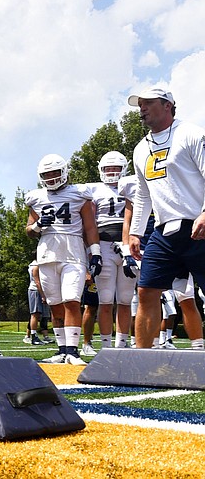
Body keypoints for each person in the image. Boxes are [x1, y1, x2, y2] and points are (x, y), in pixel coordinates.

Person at [126, 87, 205, 348]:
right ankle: (142, 360)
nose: (142, 108)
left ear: (168, 105)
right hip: (164, 233)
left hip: (198, 224)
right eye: (140, 104)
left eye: (148, 103)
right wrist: (135, 232)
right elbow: (143, 194)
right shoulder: (140, 149)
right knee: (147, 291)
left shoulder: (191, 134)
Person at [25, 153, 101, 365]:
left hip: (73, 252)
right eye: (46, 174)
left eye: (54, 173)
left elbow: (90, 227)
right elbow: (29, 230)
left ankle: (73, 351)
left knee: (72, 301)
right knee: (55, 305)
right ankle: (61, 349)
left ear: (64, 172)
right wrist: (38, 226)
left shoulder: (79, 194)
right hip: (47, 254)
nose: (50, 177)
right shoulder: (36, 197)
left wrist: (95, 253)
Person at [85, 151, 135, 353]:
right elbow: (89, 224)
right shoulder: (93, 190)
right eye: (108, 169)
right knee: (105, 300)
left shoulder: (133, 185)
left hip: (128, 246)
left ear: (124, 168)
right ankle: (106, 347)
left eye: (116, 168)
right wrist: (91, 252)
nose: (112, 172)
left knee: (125, 299)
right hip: (104, 246)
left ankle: (121, 346)